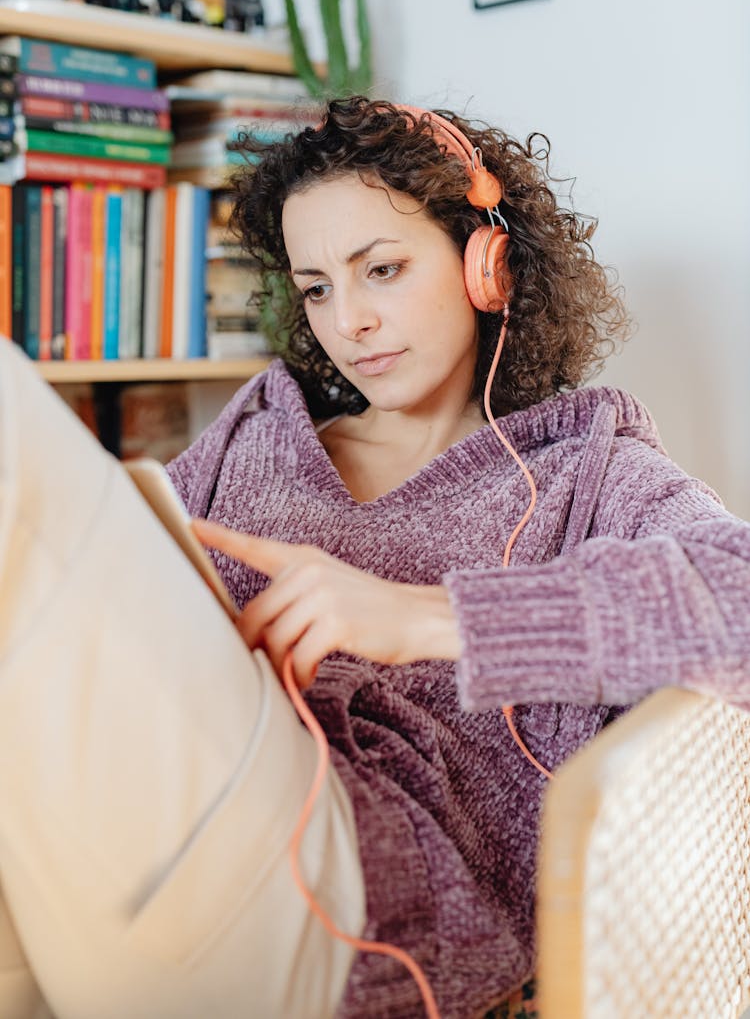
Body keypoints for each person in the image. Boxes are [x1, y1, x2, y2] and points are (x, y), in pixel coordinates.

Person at [1, 95, 749, 1019]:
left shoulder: (584, 469)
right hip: (101, 823)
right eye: (317, 287)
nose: (347, 320)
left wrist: (426, 616)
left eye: (382, 269)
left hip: (350, 892)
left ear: (490, 265)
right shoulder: (258, 431)